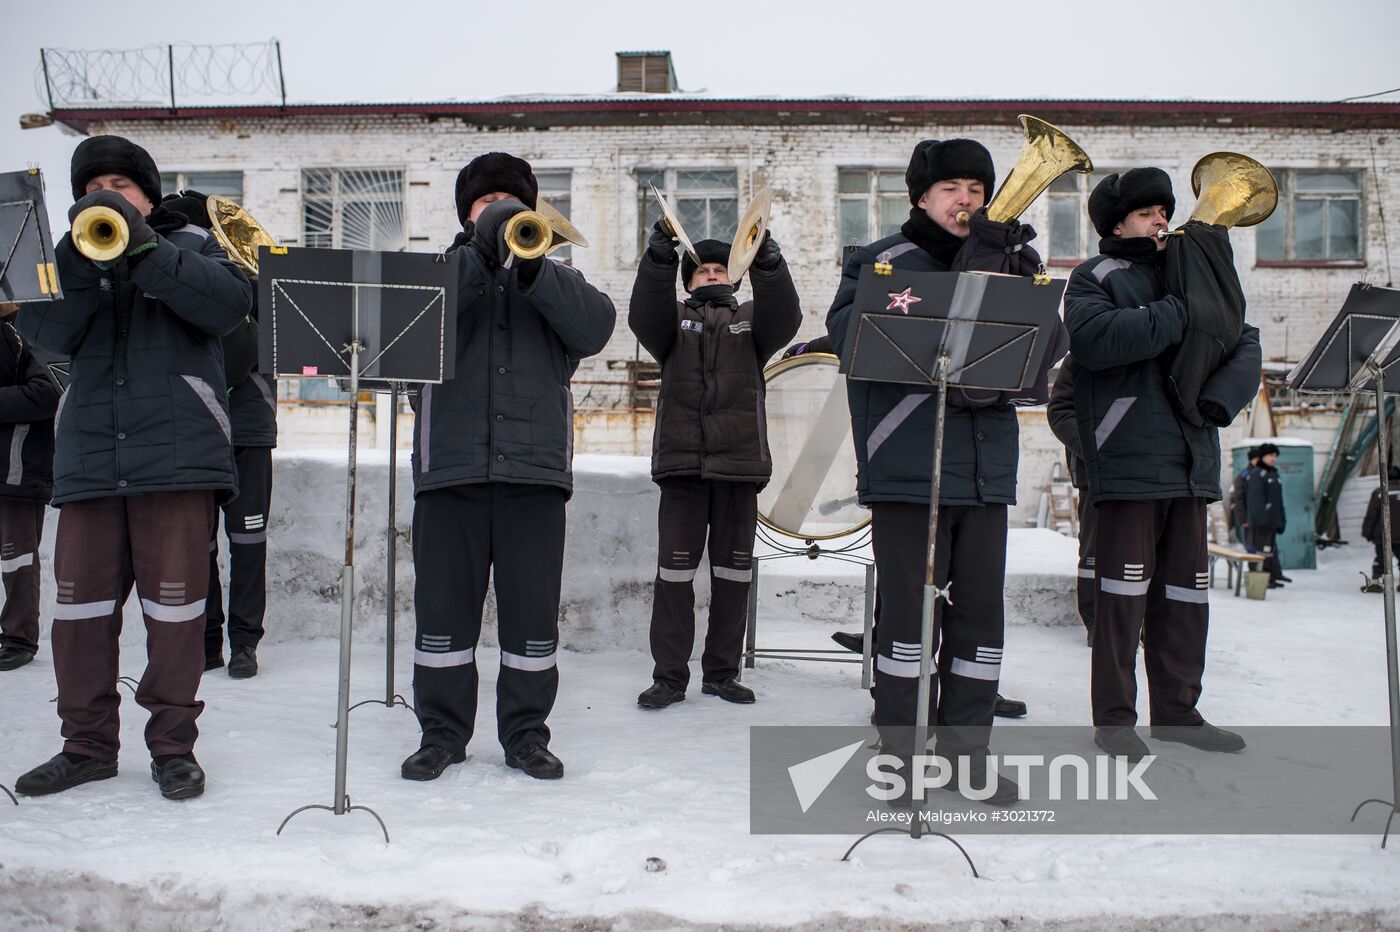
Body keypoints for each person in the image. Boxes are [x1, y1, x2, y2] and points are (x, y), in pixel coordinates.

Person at [13, 135, 252, 800]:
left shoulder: (197, 247)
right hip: (90, 460)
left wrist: (146, 249)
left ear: (148, 195)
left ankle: (174, 747)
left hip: (177, 461)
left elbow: (228, 308)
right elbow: (47, 331)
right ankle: (85, 745)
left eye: (121, 186)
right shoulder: (72, 262)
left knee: (175, 618)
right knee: (80, 614)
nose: (107, 197)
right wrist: (79, 258)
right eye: (93, 189)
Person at [827, 138, 1055, 805]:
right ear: (920, 196)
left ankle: (967, 755)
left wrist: (1015, 273)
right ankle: (898, 754)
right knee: (908, 619)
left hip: (984, 472)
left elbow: (1044, 357)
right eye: (953, 187)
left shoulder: (1009, 262)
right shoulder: (882, 260)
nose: (967, 200)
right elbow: (848, 338)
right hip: (909, 470)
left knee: (980, 621)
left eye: (978, 190)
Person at [401, 152, 616, 783]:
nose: (496, 210)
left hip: (534, 474)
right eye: (483, 201)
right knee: (442, 613)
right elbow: (415, 323)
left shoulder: (554, 275)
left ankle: (526, 734)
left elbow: (597, 327)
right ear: (465, 215)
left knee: (530, 615)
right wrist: (478, 254)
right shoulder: (440, 272)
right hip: (451, 473)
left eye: (508, 200)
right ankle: (442, 733)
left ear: (531, 211)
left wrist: (531, 272)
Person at [1065, 167, 1261, 762]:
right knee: (1121, 599)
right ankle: (1115, 719)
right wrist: (1180, 312)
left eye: (1163, 210)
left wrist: (1219, 400)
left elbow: (1242, 337)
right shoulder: (1092, 276)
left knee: (1186, 596)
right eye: (1147, 212)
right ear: (1116, 222)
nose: (1161, 220)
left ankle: (1177, 712)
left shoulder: (1191, 265)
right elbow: (1098, 341)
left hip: (1190, 458)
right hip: (1127, 461)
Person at [629, 226, 802, 709]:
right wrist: (659, 259)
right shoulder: (672, 322)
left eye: (720, 267)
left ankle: (722, 673)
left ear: (736, 278)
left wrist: (768, 260)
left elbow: (786, 316)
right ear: (687, 283)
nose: (710, 273)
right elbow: (643, 314)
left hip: (739, 469)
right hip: (682, 470)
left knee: (733, 578)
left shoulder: (752, 321)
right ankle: (668, 677)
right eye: (700, 270)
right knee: (674, 578)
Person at [160, 190, 277, 679]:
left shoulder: (253, 283)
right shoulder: (170, 286)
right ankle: (207, 641)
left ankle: (245, 642)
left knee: (248, 541)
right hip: (194, 426)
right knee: (198, 543)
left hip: (248, 425)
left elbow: (263, 345)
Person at [0, 302, 61, 671]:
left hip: (17, 468)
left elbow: (49, 391)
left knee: (17, 557)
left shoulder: (33, 329)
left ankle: (19, 637)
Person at [1047, 360, 1096, 646]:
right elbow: (1060, 410)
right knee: (1093, 551)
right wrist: (1095, 448)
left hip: (1145, 478)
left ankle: (1140, 623)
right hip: (1095, 476)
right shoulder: (1082, 352)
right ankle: (1095, 621)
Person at [1243, 442, 1289, 587]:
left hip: (1272, 522)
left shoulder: (1274, 474)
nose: (1273, 458)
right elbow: (1255, 500)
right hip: (1261, 523)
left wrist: (1282, 520)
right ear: (1262, 457)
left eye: (1275, 455)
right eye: (1270, 455)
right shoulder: (1257, 474)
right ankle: (1258, 579)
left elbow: (1278, 500)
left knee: (1269, 551)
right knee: (1260, 551)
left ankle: (1269, 577)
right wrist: (1261, 520)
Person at [1361, 465, 1400, 591]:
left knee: (1380, 561)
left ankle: (1375, 585)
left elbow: (1372, 515)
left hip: (1383, 535)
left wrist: (1367, 533)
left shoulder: (1379, 493)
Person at [1228, 447, 1260, 544]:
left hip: (1262, 519)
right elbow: (1238, 499)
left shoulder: (1261, 473)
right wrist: (1244, 519)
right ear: (1253, 460)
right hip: (1250, 520)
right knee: (1252, 547)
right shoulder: (1244, 476)